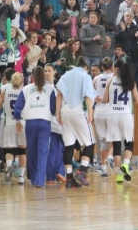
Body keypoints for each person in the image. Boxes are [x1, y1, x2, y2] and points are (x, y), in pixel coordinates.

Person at [56, 57, 97, 188]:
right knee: (90, 143)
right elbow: (88, 96)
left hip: (65, 112)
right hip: (78, 112)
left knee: (69, 146)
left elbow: (59, 95)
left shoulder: (65, 75)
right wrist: (90, 113)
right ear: (85, 67)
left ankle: (69, 178)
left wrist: (58, 112)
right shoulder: (85, 76)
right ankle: (82, 171)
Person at [13, 66, 56, 188]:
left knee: (31, 151)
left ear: (32, 76)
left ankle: (32, 177)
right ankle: (39, 180)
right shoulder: (49, 89)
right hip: (44, 122)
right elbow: (53, 108)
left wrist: (17, 119)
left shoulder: (26, 89)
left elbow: (18, 107)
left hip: (30, 123)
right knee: (42, 151)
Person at [103, 60, 138, 184]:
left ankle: (119, 175)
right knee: (129, 142)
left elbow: (105, 100)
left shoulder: (111, 81)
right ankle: (126, 163)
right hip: (126, 115)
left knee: (117, 146)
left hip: (113, 115)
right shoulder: (130, 82)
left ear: (116, 68)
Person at [92, 57, 114, 178]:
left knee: (103, 141)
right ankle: (110, 157)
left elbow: (89, 93)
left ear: (101, 67)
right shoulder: (114, 78)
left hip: (99, 112)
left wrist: (95, 99)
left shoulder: (96, 78)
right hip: (111, 110)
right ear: (112, 66)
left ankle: (103, 168)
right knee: (115, 138)